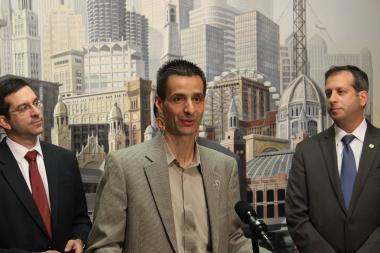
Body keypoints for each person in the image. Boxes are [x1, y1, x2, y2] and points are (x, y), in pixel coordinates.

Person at [86, 60, 258, 253]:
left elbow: (232, 239)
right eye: (178, 99)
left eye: (197, 99)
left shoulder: (225, 167)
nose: (190, 109)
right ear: (159, 104)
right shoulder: (123, 166)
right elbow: (103, 247)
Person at [286, 65, 380, 252]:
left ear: (363, 98)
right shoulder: (307, 151)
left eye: (341, 92)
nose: (332, 99)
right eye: (328, 93)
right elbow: (296, 216)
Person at [0, 78, 91, 253]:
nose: (36, 112)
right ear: (4, 122)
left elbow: (81, 220)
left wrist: (79, 239)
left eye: (35, 103)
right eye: (23, 108)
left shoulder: (65, 160)